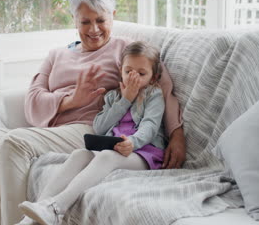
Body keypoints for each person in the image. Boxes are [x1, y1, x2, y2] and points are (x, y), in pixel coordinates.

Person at [0, 0, 186, 225]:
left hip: (88, 129)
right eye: (85, 21)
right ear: (74, 20)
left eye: (101, 20)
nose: (94, 29)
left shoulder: (123, 50)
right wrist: (71, 100)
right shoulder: (56, 55)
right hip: (51, 130)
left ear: (113, 15)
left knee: (13, 143)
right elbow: (33, 100)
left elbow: (161, 84)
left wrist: (177, 134)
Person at [19, 41, 167, 225]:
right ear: (121, 70)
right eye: (128, 71)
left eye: (142, 74)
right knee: (79, 154)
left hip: (144, 153)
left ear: (153, 78)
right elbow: (100, 127)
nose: (133, 77)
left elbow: (150, 127)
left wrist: (133, 142)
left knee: (107, 156)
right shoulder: (114, 97)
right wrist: (126, 99)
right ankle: (31, 218)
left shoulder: (154, 94)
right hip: (116, 148)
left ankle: (57, 208)